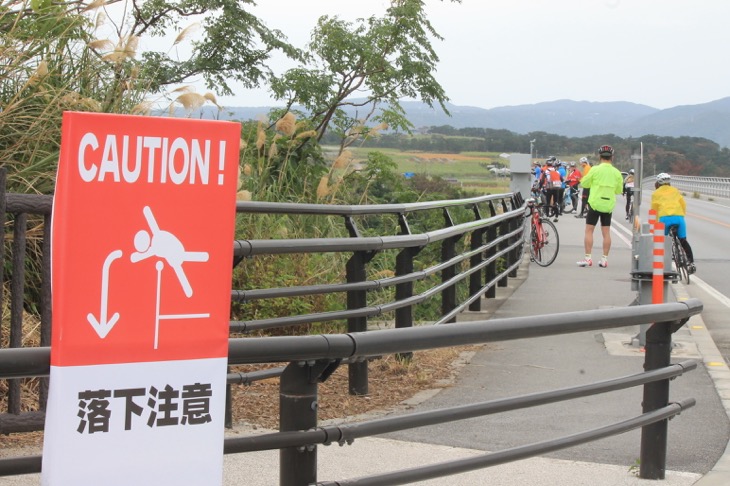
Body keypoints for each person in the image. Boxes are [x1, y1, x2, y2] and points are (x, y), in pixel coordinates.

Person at [576, 145, 624, 268]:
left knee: (589, 230)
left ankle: (588, 258)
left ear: (600, 156)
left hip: (595, 203)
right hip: (608, 205)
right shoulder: (616, 172)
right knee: (606, 232)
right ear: (612, 157)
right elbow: (619, 190)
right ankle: (604, 259)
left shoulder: (595, 169)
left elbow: (584, 183)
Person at [651, 173, 696, 273]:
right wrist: (681, 215)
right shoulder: (675, 190)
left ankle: (662, 263)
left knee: (661, 241)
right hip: (679, 218)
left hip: (664, 219)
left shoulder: (656, 193)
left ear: (658, 183)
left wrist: (655, 223)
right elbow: (683, 204)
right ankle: (691, 263)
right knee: (683, 241)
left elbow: (654, 210)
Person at [539, 157, 563, 222]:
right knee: (556, 202)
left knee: (548, 202)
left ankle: (547, 216)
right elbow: (561, 179)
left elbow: (542, 180)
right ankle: (556, 216)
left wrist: (540, 187)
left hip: (549, 188)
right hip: (556, 188)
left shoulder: (546, 171)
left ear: (546, 164)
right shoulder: (557, 171)